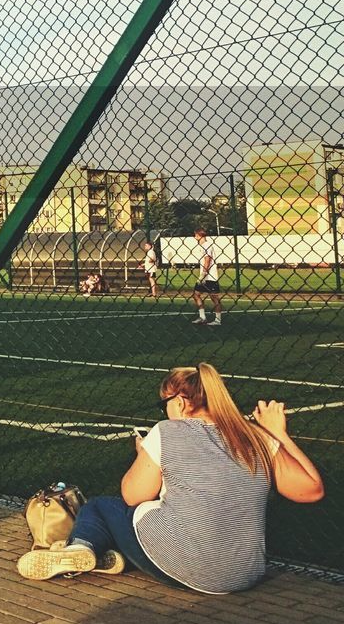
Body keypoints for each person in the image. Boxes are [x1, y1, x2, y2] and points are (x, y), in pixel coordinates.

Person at [17, 363, 324, 593]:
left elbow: (133, 496)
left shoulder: (167, 432)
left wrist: (144, 455)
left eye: (164, 405)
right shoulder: (254, 435)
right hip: (246, 574)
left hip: (189, 569)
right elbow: (311, 489)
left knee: (102, 507)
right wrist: (277, 434)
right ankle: (105, 555)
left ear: (179, 402)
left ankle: (80, 547)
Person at [190, 228, 223, 326]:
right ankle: (202, 317)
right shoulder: (202, 246)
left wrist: (204, 273)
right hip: (204, 277)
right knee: (196, 295)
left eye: (196, 235)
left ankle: (218, 320)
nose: (195, 237)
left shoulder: (207, 245)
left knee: (214, 298)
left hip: (210, 276)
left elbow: (207, 260)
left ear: (200, 235)